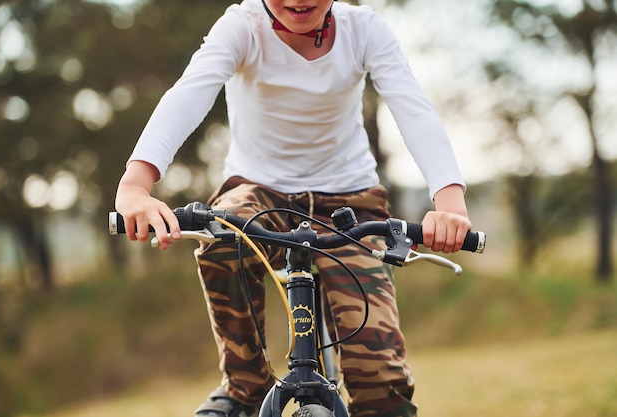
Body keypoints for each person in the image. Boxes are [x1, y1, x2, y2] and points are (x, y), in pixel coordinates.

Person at [114, 0, 472, 416]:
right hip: (258, 190)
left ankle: (380, 394)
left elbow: (412, 106)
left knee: (382, 387)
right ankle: (246, 384)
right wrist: (136, 185)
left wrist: (450, 202)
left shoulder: (365, 30)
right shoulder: (242, 27)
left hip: (349, 200)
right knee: (225, 238)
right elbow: (189, 93)